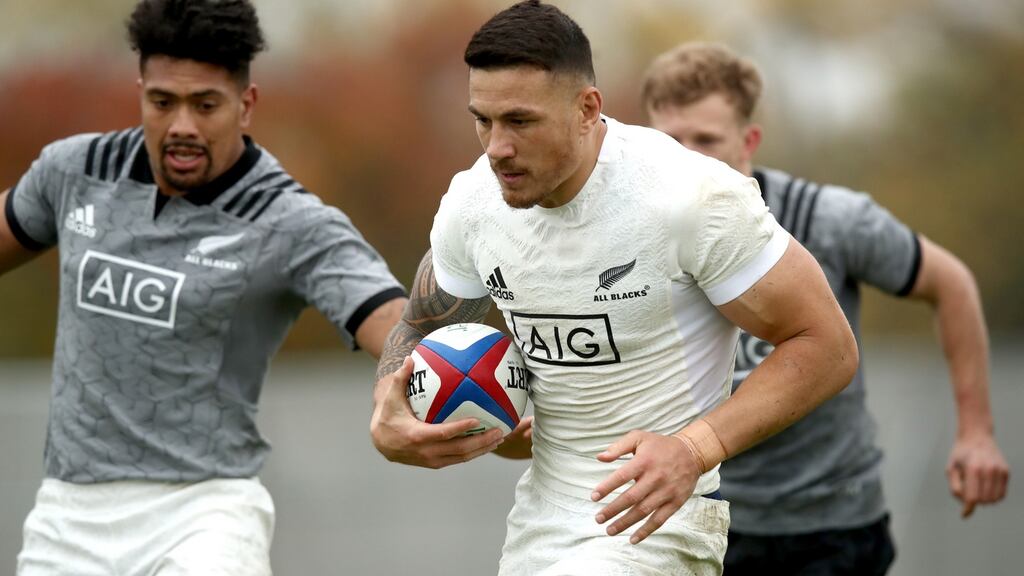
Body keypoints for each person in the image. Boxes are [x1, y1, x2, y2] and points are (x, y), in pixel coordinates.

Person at [369, 2, 858, 574]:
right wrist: (388, 411)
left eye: (520, 122)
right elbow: (421, 325)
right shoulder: (474, 204)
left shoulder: (689, 196)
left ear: (587, 108)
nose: (496, 147)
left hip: (659, 525)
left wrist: (695, 449)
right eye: (483, 120)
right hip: (540, 523)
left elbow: (827, 345)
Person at [0, 0, 407, 573]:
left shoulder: (291, 222)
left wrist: (413, 383)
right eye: (162, 102)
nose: (181, 125)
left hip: (204, 515)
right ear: (141, 90)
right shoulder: (74, 173)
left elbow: (394, 323)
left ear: (246, 105)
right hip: (68, 514)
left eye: (205, 104)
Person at [640, 42, 1010, 575]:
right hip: (702, 521)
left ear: (749, 140)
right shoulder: (635, 244)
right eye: (673, 141)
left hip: (832, 527)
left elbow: (950, 284)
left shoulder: (830, 222)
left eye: (707, 140)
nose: (689, 158)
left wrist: (976, 432)